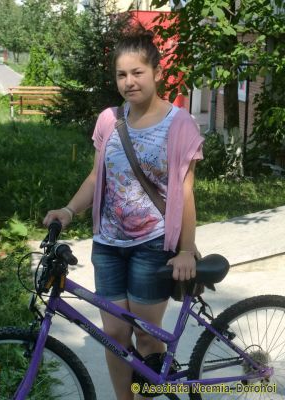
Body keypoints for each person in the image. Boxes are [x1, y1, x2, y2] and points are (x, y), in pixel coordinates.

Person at [43, 28, 204, 400]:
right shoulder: (109, 120)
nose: (129, 82)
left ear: (157, 72)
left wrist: (185, 249)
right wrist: (68, 210)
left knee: (147, 335)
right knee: (114, 336)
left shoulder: (179, 123)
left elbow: (185, 191)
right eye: (121, 74)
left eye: (137, 72)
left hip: (152, 246)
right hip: (108, 244)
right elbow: (96, 176)